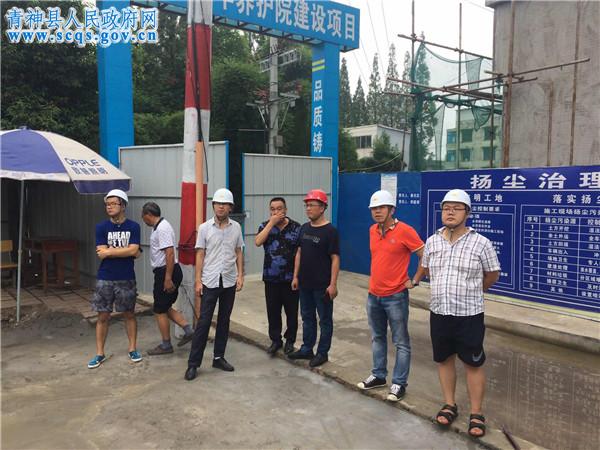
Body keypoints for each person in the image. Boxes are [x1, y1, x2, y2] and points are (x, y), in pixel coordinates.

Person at [413, 189, 500, 438]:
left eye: (456, 208)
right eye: (446, 208)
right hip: (440, 312)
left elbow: (492, 274)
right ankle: (449, 404)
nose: (450, 212)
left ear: (467, 213)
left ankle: (476, 413)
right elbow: (426, 268)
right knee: (444, 359)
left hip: (469, 315)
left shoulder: (481, 243)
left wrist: (474, 291)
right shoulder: (432, 241)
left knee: (473, 363)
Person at [356, 190, 424, 402]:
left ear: (392, 209)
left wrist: (415, 279)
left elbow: (425, 255)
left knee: (401, 341)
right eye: (374, 208)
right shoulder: (372, 230)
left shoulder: (405, 231)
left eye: (381, 208)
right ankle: (378, 375)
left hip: (396, 296)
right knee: (377, 337)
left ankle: (399, 383)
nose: (377, 211)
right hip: (373, 294)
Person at [184, 188, 244, 381]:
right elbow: (200, 254)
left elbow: (239, 251)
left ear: (230, 207)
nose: (221, 207)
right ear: (213, 206)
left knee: (224, 321)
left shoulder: (236, 227)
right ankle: (193, 364)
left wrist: (240, 275)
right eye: (218, 203)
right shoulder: (204, 228)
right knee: (204, 322)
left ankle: (218, 357)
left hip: (229, 280)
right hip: (210, 281)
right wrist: (198, 280)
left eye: (224, 204)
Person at [88, 189, 142, 369]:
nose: (109, 207)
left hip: (126, 277)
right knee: (103, 315)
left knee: (129, 314)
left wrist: (110, 251)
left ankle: (132, 349)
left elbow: (134, 250)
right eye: (107, 204)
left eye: (113, 204)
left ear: (123, 206)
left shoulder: (133, 226)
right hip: (105, 277)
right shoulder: (101, 227)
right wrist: (126, 251)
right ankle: (99, 353)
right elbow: (101, 253)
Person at [289, 189, 340, 368]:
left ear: (323, 207)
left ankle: (322, 353)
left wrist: (333, 284)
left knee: (324, 320)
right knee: (307, 317)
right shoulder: (304, 228)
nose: (308, 208)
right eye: (307, 205)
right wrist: (295, 276)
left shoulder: (330, 231)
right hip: (305, 283)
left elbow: (335, 258)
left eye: (312, 205)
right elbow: (299, 252)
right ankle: (307, 348)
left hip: (322, 286)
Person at [141, 202, 194, 355]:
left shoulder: (162, 228)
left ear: (148, 215)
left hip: (166, 271)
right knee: (163, 306)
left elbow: (169, 253)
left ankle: (166, 345)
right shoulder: (158, 227)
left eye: (143, 216)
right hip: (165, 271)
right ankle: (188, 330)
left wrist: (168, 278)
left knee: (159, 309)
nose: (143, 219)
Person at [255, 197, 302, 355]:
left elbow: (299, 253)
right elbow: (258, 242)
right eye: (273, 209)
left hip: (290, 279)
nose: (276, 212)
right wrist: (271, 224)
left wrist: (296, 276)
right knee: (273, 311)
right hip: (271, 278)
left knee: (291, 312)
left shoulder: (296, 227)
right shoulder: (264, 226)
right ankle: (276, 340)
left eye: (279, 208)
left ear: (285, 210)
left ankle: (290, 340)